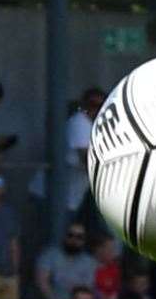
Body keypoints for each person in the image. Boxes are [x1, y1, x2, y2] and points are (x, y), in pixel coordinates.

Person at [28, 87, 105, 226]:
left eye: (100, 106)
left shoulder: (95, 125)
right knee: (55, 241)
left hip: (68, 198)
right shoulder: (80, 122)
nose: (95, 109)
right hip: (53, 197)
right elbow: (87, 159)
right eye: (92, 104)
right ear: (83, 104)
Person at [35, 223, 97, 299]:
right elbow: (42, 282)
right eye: (70, 235)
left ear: (84, 240)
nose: (74, 240)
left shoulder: (89, 262)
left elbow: (87, 289)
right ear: (64, 236)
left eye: (79, 237)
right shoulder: (49, 255)